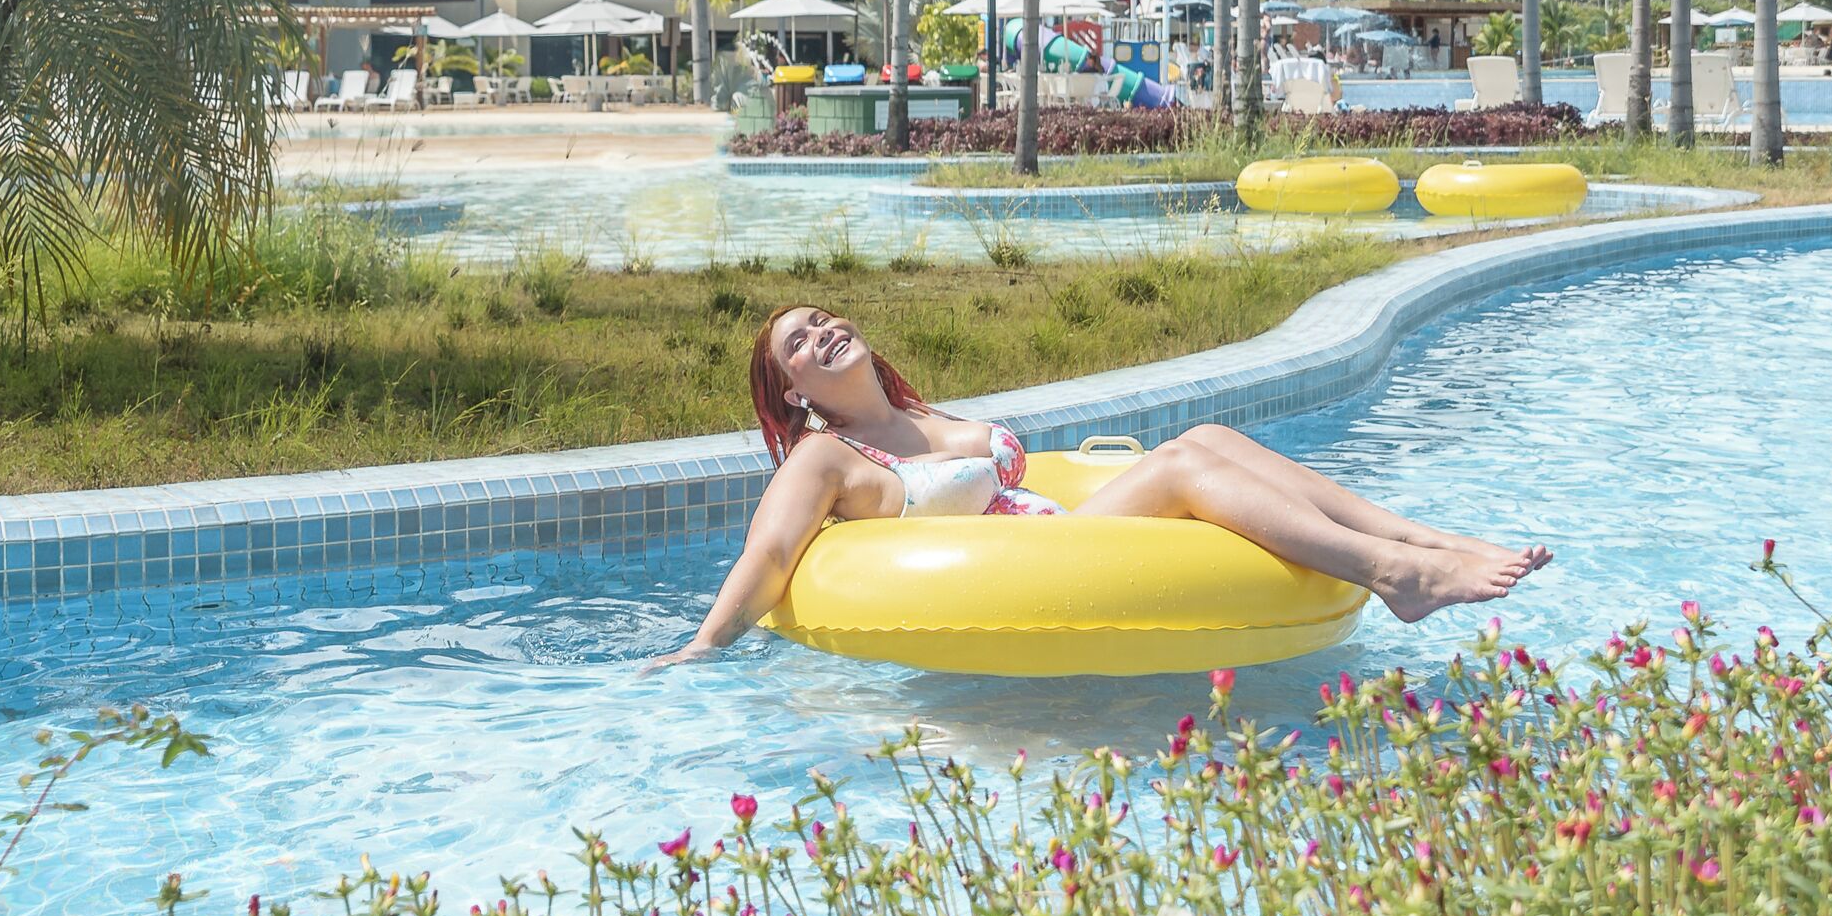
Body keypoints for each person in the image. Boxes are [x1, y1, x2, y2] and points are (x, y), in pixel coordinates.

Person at [660, 303, 1549, 663]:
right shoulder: (827, 458)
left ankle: (1423, 541)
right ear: (791, 391)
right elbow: (770, 551)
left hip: (1055, 528)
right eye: (799, 345)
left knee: (1204, 433)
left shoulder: (926, 419)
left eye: (823, 319)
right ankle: (1394, 575)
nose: (821, 334)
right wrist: (702, 649)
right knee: (1182, 462)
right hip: (1011, 567)